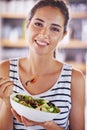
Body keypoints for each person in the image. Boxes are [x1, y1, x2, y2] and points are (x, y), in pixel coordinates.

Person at [0, 0, 85, 130]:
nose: (44, 34)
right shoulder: (5, 70)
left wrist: (47, 124)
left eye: (55, 29)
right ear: (27, 25)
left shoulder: (75, 79)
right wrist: (7, 104)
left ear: (63, 35)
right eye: (38, 24)